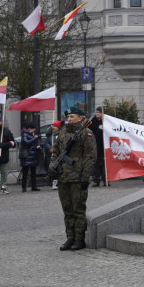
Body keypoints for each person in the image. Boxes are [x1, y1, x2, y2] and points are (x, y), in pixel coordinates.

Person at [48, 106, 96, 251]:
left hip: (78, 177)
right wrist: (52, 167)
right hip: (63, 177)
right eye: (68, 117)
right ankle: (70, 237)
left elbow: (90, 156)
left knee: (78, 210)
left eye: (72, 117)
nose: (69, 119)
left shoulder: (86, 133)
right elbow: (55, 152)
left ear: (81, 118)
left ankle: (79, 239)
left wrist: (85, 177)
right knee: (67, 210)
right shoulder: (62, 134)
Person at [19, 123, 41, 192]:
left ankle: (34, 186)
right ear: (29, 128)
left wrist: (38, 147)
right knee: (25, 172)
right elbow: (26, 142)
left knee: (33, 173)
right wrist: (34, 138)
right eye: (33, 129)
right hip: (27, 156)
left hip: (33, 155)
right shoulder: (25, 134)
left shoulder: (32, 134)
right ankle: (24, 187)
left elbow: (34, 143)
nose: (34, 130)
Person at [89, 107, 106, 187]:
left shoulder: (106, 121)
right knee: (95, 164)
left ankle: (105, 179)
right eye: (96, 112)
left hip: (104, 146)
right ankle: (96, 180)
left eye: (99, 112)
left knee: (104, 163)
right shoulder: (92, 122)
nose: (97, 114)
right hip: (95, 146)